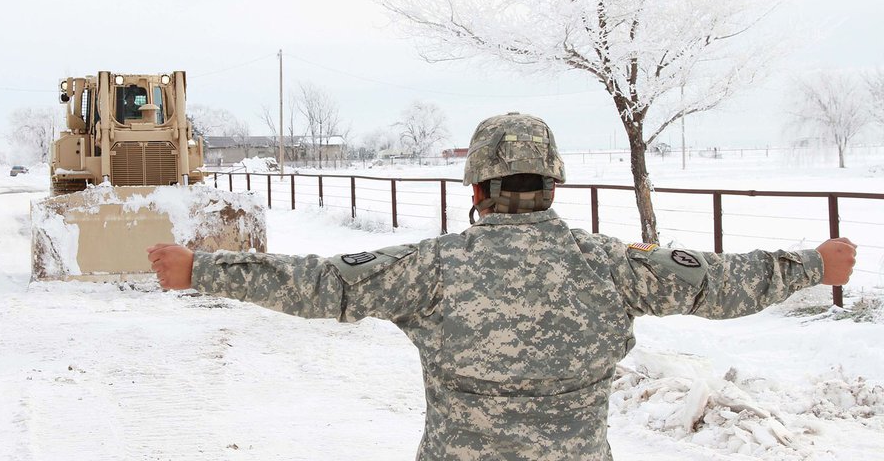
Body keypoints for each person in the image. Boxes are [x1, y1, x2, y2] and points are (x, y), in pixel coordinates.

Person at [148, 112, 856, 461]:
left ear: (477, 190)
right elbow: (720, 283)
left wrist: (202, 269)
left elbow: (322, 284)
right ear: (553, 185)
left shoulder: (432, 266)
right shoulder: (613, 265)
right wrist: (813, 265)